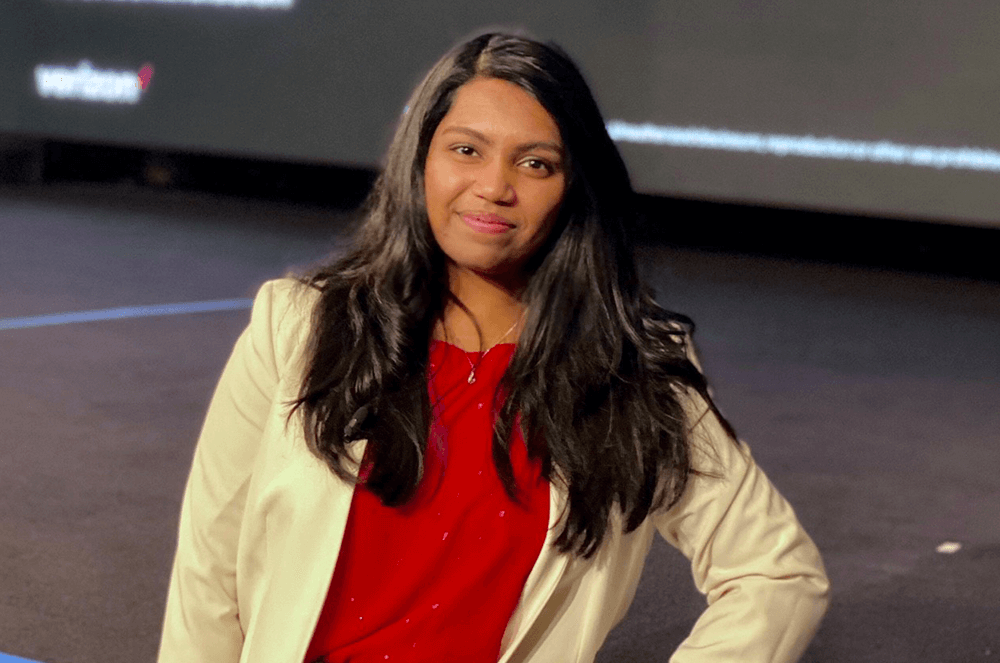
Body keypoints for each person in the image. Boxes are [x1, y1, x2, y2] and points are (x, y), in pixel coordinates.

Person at [157, 32, 829, 663]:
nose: (494, 187)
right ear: (419, 158)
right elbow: (207, 574)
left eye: (534, 163)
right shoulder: (296, 327)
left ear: (572, 188)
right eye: (467, 150)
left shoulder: (631, 366)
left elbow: (776, 572)